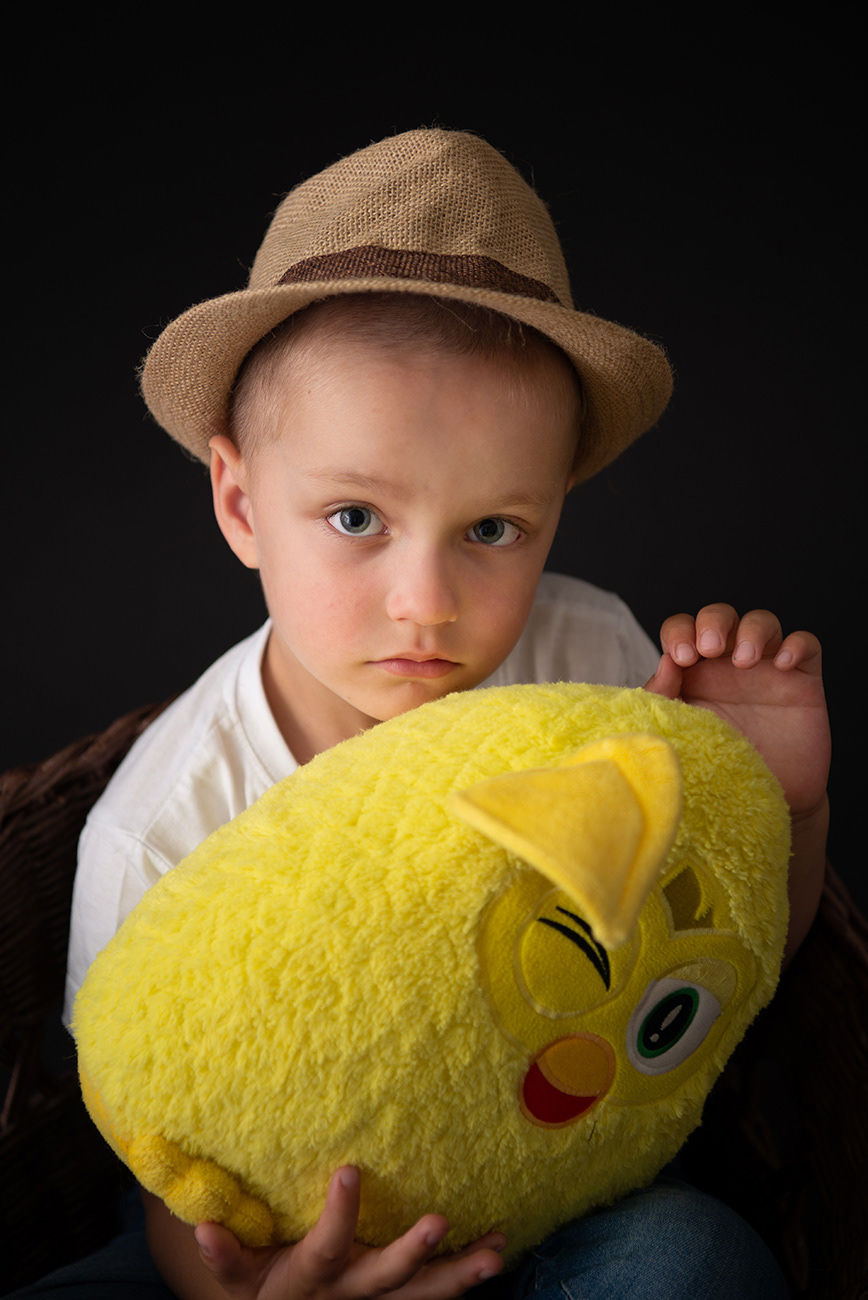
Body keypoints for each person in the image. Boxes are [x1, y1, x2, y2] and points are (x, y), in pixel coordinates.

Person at [27, 129, 829, 1299]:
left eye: (492, 529)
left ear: (553, 509)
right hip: (296, 1236)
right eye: (355, 518)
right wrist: (255, 1285)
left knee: (694, 1254)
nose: (426, 602)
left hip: (564, 1196)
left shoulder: (593, 665)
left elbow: (720, 972)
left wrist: (784, 810)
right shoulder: (165, 825)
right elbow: (159, 1163)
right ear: (241, 503)